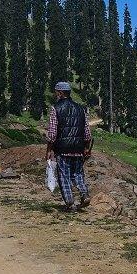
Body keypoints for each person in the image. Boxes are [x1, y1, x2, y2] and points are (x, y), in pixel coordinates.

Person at [45, 81, 92, 212]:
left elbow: (52, 134)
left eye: (56, 92)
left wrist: (49, 150)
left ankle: (70, 203)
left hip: (62, 149)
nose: (55, 94)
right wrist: (86, 148)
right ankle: (84, 194)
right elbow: (87, 133)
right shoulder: (81, 109)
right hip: (78, 148)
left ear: (60, 93)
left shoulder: (56, 108)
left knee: (64, 176)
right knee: (78, 174)